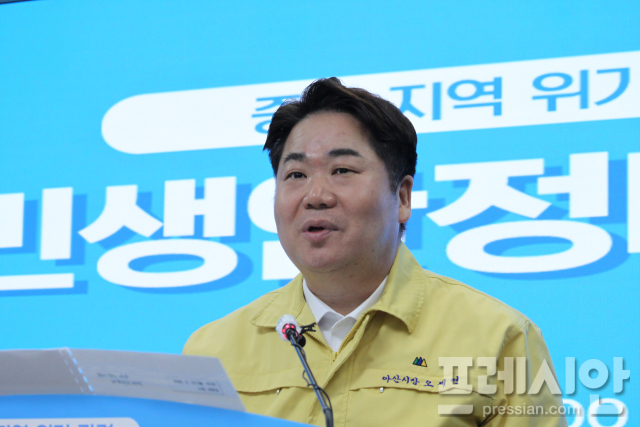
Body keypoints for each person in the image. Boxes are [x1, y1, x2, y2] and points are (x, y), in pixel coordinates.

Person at [183, 78, 567, 426]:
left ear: (402, 197)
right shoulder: (211, 351)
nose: (315, 196)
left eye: (342, 171)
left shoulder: (498, 338)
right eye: (296, 175)